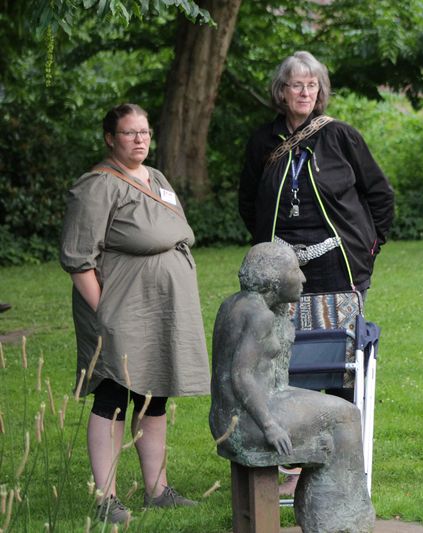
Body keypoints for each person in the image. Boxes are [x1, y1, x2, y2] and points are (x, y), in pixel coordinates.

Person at [238, 50, 394, 494]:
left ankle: (340, 462)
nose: (305, 92)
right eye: (296, 85)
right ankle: (291, 462)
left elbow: (380, 195)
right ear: (281, 92)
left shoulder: (341, 136)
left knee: (341, 365)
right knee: (283, 362)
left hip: (337, 270)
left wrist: (367, 249)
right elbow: (248, 201)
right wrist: (271, 250)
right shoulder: (262, 141)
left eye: (312, 85)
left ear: (320, 91)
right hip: (281, 278)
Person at [60, 103, 210, 523]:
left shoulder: (155, 177)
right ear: (110, 138)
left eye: (144, 132)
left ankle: (157, 490)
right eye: (129, 133)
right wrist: (104, 313)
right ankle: (106, 498)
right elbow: (78, 259)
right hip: (120, 310)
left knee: (153, 397)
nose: (139, 139)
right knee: (113, 397)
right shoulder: (98, 186)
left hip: (160, 310)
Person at [209, 242, 374, 533]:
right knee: (347, 416)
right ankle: (337, 522)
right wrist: (270, 426)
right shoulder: (259, 316)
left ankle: (328, 514)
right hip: (253, 420)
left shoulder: (236, 304)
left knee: (336, 421)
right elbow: (241, 376)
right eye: (295, 270)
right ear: (273, 279)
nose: (303, 278)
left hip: (228, 418)